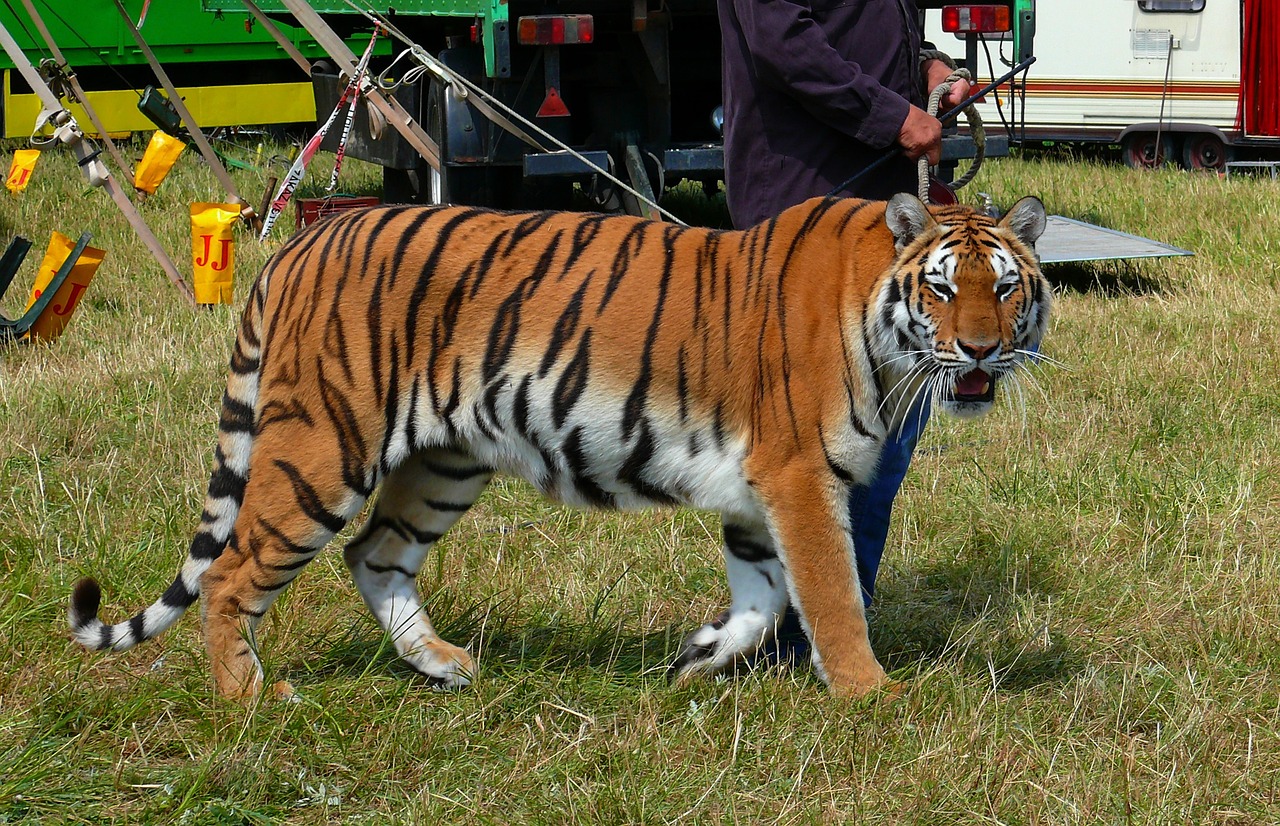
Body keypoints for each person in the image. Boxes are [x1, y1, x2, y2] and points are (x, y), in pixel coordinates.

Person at [715, 0, 970, 652]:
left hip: (876, 207)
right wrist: (893, 116)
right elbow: (780, 38)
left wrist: (928, 69)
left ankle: (819, 626)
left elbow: (867, 27)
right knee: (816, 444)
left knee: (881, 437)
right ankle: (798, 639)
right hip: (803, 199)